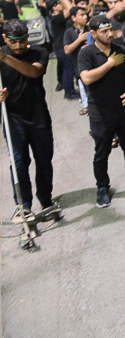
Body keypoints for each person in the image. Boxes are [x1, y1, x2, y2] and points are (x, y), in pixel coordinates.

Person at [78, 15, 125, 208]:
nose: (109, 34)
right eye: (104, 31)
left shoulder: (122, 50)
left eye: (110, 30)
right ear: (93, 33)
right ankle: (102, 187)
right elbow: (87, 78)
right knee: (102, 151)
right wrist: (109, 64)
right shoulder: (87, 53)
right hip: (101, 111)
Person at [0, 19, 56, 220]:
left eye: (22, 41)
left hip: (38, 116)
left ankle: (46, 200)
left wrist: (6, 59)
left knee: (44, 160)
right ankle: (23, 204)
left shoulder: (39, 52)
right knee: (19, 162)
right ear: (5, 38)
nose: (18, 46)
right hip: (13, 118)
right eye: (13, 41)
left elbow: (34, 72)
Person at [63, 6, 90, 115]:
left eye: (85, 14)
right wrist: (79, 39)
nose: (85, 17)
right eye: (81, 15)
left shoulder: (90, 29)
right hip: (79, 67)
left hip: (93, 65)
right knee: (84, 88)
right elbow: (67, 50)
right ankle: (87, 106)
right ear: (73, 18)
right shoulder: (69, 32)